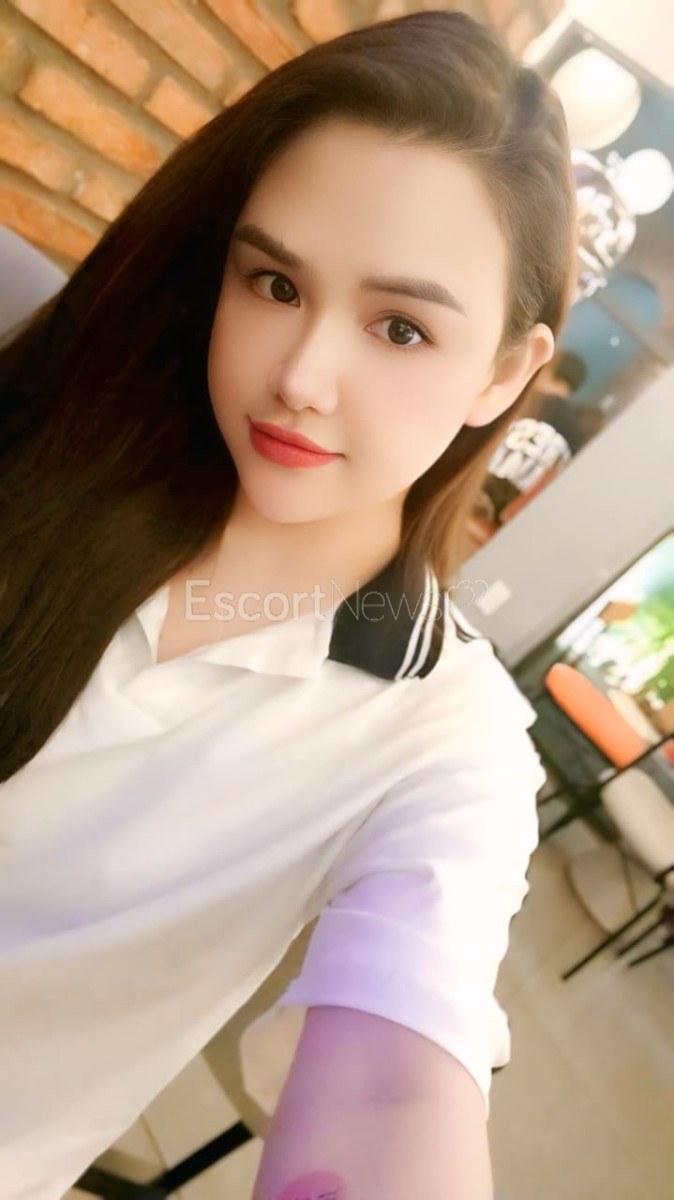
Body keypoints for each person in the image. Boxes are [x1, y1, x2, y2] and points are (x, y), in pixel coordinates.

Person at [0, 11, 576, 1199]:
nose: (300, 377)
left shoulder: (438, 741)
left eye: (400, 327)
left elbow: (394, 1085)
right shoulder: (50, 434)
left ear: (502, 373)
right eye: (273, 283)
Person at [475, 351, 605, 525]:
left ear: (553, 372)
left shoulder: (529, 402)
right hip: (511, 519)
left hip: (475, 495)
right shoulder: (576, 433)